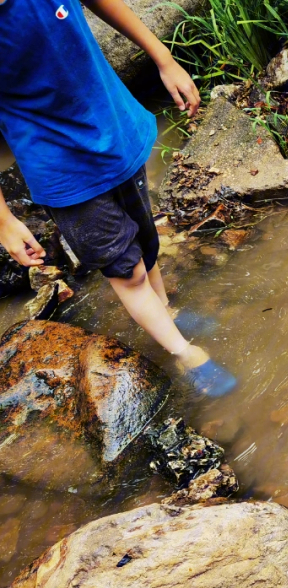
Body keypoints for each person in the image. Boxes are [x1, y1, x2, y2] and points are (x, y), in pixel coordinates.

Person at [0, 0, 236, 397]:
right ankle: (185, 352)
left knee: (145, 242)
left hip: (116, 128)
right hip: (62, 169)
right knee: (128, 272)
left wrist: (163, 58)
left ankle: (167, 312)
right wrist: (5, 220)